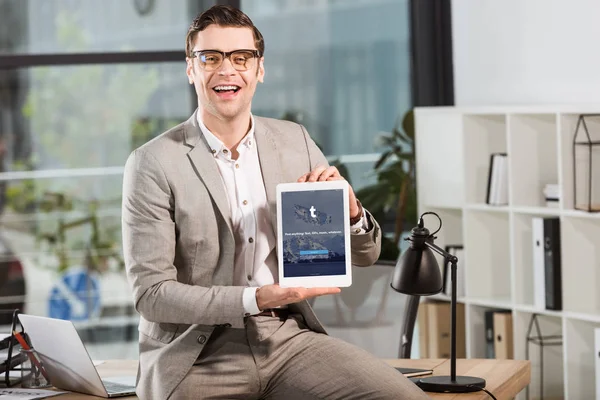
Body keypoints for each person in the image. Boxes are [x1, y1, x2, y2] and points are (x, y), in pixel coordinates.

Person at [122, 5, 428, 400]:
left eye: (241, 57)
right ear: (191, 69)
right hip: (196, 352)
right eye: (210, 58)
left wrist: (350, 212)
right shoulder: (153, 162)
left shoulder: (293, 140)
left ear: (259, 69)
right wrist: (256, 298)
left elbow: (365, 257)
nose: (226, 70)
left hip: (286, 338)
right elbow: (151, 295)